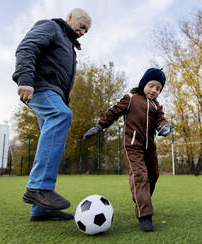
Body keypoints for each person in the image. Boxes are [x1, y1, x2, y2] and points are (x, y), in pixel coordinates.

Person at [12, 8, 92, 221]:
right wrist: (25, 79)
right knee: (61, 115)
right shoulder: (51, 27)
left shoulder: (69, 46)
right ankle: (38, 187)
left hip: (53, 92)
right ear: (69, 18)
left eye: (86, 30)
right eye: (81, 25)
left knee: (54, 144)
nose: (83, 31)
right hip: (39, 86)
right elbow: (27, 47)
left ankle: (41, 210)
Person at [83, 68, 170, 232]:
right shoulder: (131, 98)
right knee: (140, 176)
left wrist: (164, 127)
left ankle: (140, 197)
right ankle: (144, 215)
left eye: (158, 88)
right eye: (151, 85)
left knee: (153, 175)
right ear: (144, 83)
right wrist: (99, 126)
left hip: (149, 147)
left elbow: (161, 119)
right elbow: (113, 112)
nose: (154, 90)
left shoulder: (156, 106)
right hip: (132, 146)